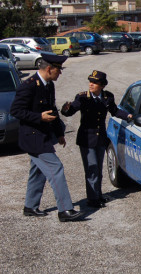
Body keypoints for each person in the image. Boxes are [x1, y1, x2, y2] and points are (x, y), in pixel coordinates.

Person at [10, 53, 83, 222]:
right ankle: (65, 210)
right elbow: (16, 110)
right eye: (59, 69)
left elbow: (52, 110)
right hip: (33, 138)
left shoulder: (48, 85)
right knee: (56, 168)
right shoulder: (28, 86)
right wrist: (39, 117)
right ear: (49, 69)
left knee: (38, 172)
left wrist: (59, 133)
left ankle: (30, 206)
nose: (60, 73)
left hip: (44, 136)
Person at [61, 70, 132, 208]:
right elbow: (72, 109)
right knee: (91, 168)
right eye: (90, 82)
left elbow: (114, 111)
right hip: (87, 139)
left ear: (102, 85)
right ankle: (92, 199)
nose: (91, 85)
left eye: (95, 82)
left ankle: (98, 195)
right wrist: (66, 109)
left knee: (98, 168)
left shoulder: (107, 97)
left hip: (100, 138)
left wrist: (128, 116)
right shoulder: (83, 97)